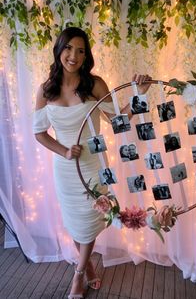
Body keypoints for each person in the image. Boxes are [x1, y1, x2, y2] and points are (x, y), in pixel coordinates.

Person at [33, 26, 151, 299]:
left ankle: (78, 274)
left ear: (87, 56)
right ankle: (88, 270)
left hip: (94, 166)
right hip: (65, 169)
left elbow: (117, 122)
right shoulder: (45, 90)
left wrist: (139, 94)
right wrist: (63, 151)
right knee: (76, 224)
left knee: (89, 221)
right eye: (68, 48)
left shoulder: (95, 84)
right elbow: (39, 134)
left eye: (81, 50)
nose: (73, 55)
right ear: (59, 50)